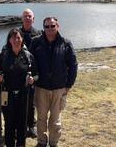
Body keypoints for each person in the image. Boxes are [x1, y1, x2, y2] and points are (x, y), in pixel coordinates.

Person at [30, 17, 78, 147]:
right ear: (43, 28)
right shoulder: (36, 42)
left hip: (59, 88)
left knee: (55, 119)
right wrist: (33, 80)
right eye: (47, 27)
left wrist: (68, 85)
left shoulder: (65, 43)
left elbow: (73, 65)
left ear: (57, 26)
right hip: (41, 87)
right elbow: (30, 63)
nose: (50, 29)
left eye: (52, 26)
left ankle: (53, 142)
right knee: (41, 118)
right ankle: (41, 141)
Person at [0, 28, 38, 147]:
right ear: (9, 40)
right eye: (13, 38)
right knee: (9, 123)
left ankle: (20, 144)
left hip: (24, 95)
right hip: (6, 94)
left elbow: (36, 74)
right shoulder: (4, 55)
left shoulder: (28, 56)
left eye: (18, 37)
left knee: (22, 123)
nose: (16, 40)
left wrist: (32, 79)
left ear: (22, 39)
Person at [19, 8, 41, 138]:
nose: (27, 18)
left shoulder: (39, 33)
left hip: (33, 72)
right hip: (19, 72)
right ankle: (20, 125)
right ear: (22, 19)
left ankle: (31, 126)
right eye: (25, 16)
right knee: (19, 100)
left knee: (31, 101)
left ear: (33, 19)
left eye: (30, 16)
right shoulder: (16, 33)